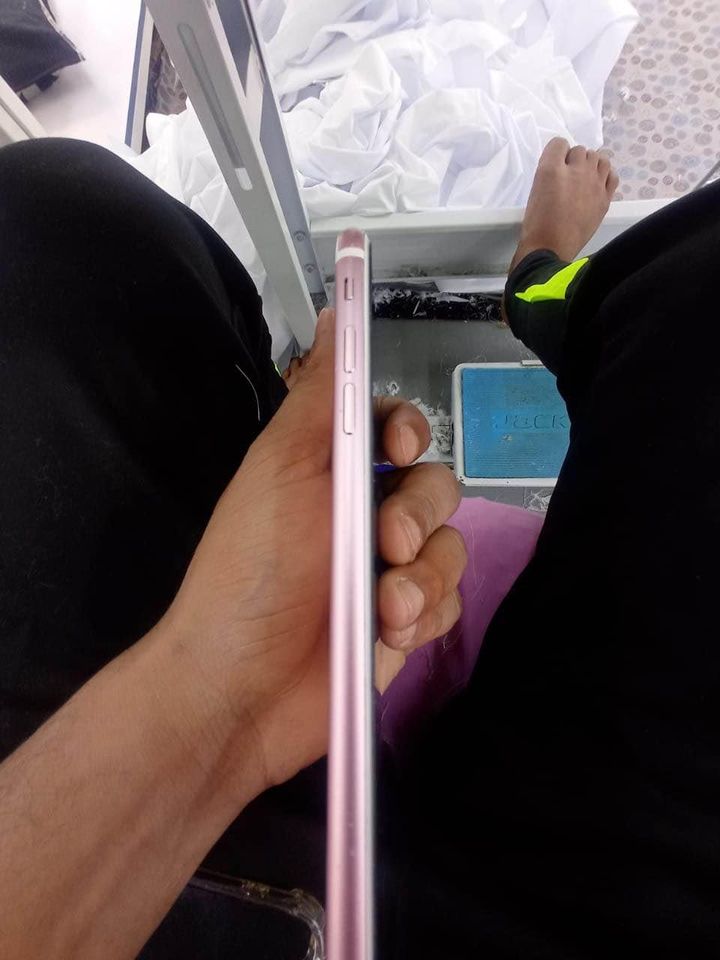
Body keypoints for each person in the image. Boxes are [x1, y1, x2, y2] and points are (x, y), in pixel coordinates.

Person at [0, 130, 714, 959]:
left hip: (442, 864)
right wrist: (217, 710)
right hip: (380, 849)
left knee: (58, 223)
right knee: (64, 215)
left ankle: (524, 279)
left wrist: (215, 713)